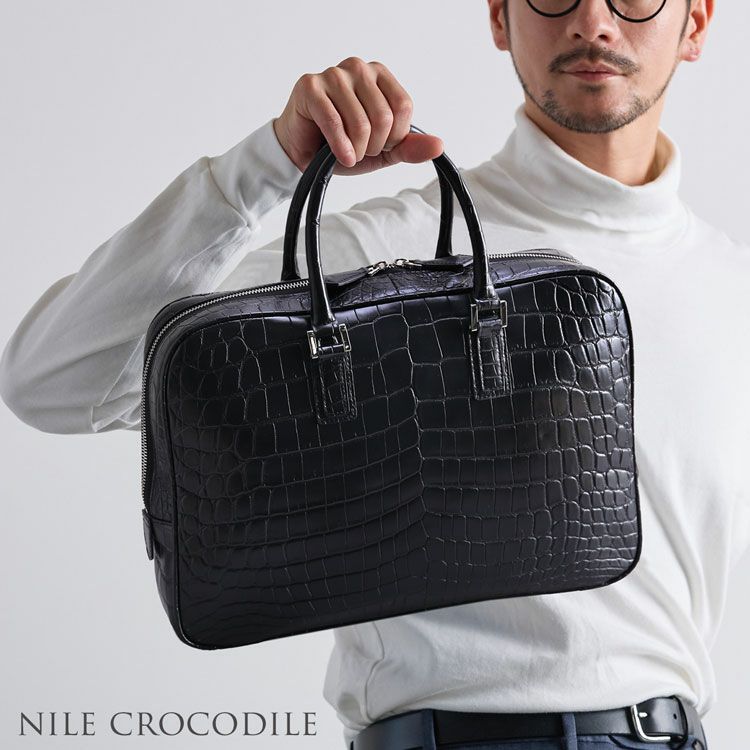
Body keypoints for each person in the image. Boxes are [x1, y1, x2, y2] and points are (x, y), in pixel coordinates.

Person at [0, 0, 738, 747]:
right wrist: (263, 167)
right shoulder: (382, 256)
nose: (593, 21)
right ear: (500, 18)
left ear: (697, 23)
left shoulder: (731, 284)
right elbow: (52, 381)